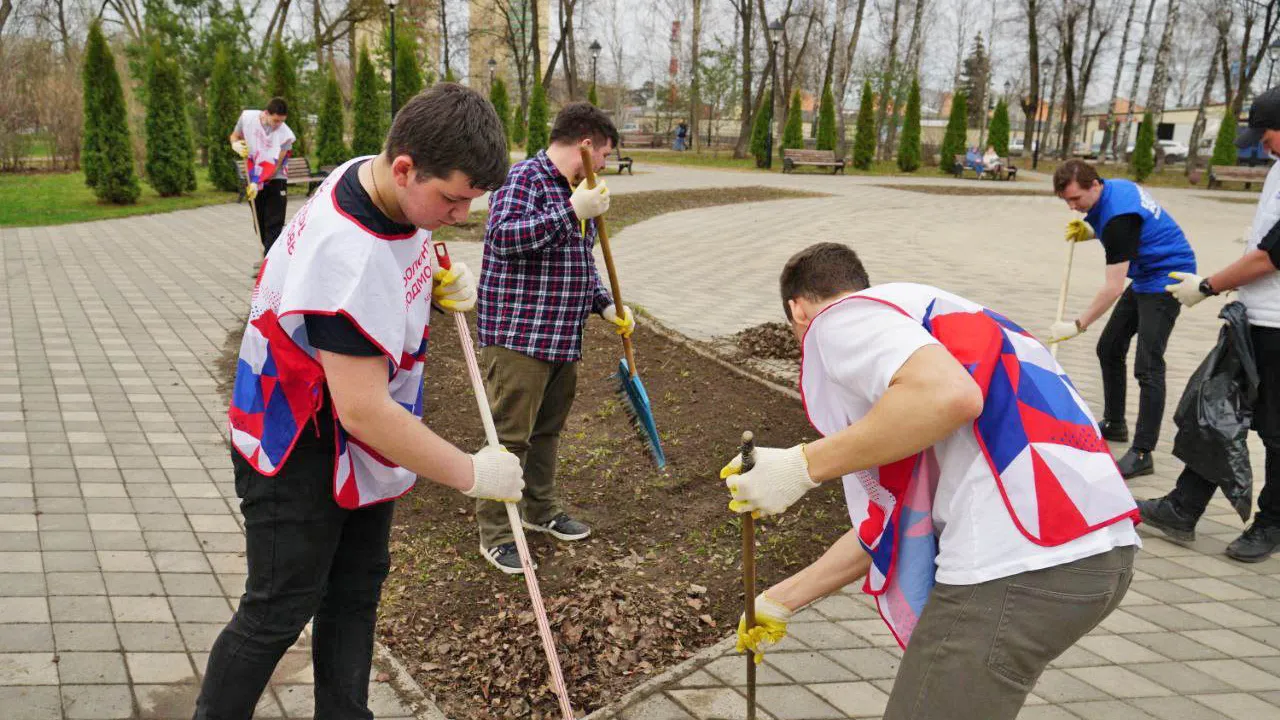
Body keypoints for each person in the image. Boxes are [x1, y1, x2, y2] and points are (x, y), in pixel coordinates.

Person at [195, 84, 525, 720]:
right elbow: (364, 411)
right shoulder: (346, 258)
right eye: (453, 200)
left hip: (350, 442)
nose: (460, 216)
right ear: (405, 167)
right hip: (296, 438)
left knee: (355, 590)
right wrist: (472, 472)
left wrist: (428, 281)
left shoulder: (370, 176)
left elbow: (401, 245)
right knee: (278, 609)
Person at [722, 242, 1140, 720]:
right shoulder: (938, 318)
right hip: (1099, 554)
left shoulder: (838, 320)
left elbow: (950, 397)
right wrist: (780, 599)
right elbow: (898, 520)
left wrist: (802, 466)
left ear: (797, 309)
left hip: (1018, 564)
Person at [474, 102, 634, 573]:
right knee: (507, 438)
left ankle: (539, 510)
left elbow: (578, 262)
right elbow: (503, 238)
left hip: (562, 338)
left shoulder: (576, 189)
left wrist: (604, 304)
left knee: (546, 433)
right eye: (603, 153)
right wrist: (570, 211)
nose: (604, 165)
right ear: (585, 144)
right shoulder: (524, 178)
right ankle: (497, 533)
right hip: (519, 338)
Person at [1140, 86, 1280, 563]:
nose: (1262, 143)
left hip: (1279, 325)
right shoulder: (1279, 168)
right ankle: (1183, 506)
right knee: (1215, 409)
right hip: (1254, 317)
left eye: (1267, 132)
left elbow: (1273, 256)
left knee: (1276, 432)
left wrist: (1208, 286)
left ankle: (1272, 522)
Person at [1048, 159, 1196, 478]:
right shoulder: (1116, 188)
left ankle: (1143, 452)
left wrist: (1076, 325)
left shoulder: (1117, 220)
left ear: (1095, 185)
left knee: (1148, 365)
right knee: (1110, 347)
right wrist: (1089, 229)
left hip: (1169, 277)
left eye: (1076, 199)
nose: (1072, 207)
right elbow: (1128, 229)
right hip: (1145, 275)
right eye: (1066, 201)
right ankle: (1115, 424)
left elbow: (1113, 287)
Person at [230, 97, 297, 254]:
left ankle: (270, 261)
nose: (278, 125)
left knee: (274, 221)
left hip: (275, 178)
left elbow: (275, 165)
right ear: (266, 113)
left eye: (281, 121)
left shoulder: (286, 134)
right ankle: (267, 254)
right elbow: (235, 135)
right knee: (259, 220)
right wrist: (235, 144)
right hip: (253, 175)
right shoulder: (247, 118)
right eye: (275, 120)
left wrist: (257, 181)